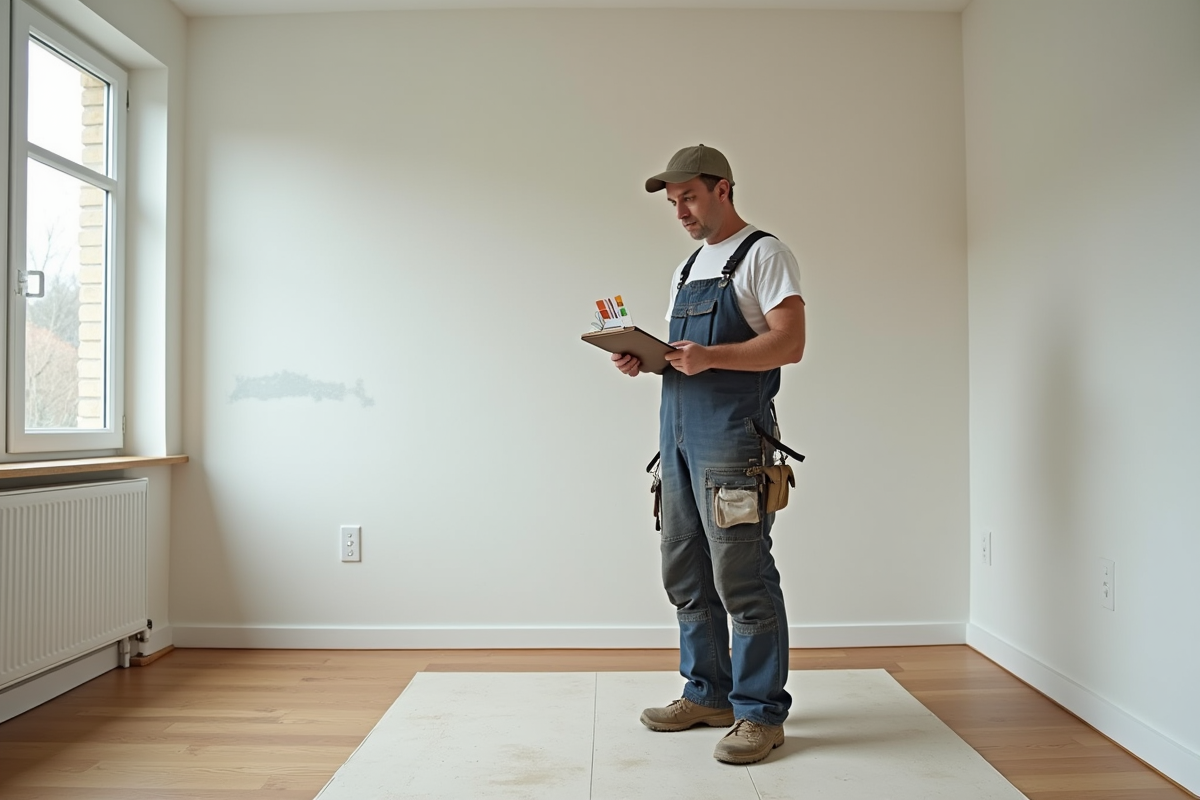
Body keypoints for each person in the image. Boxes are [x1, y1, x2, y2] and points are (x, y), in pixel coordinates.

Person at [612, 144, 806, 765]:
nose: (681, 213)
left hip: (732, 440)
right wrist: (647, 360)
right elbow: (686, 356)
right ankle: (707, 694)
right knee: (686, 570)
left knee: (741, 576)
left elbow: (791, 343)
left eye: (689, 198)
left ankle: (759, 714)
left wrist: (712, 356)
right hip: (677, 439)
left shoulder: (764, 254)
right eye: (674, 204)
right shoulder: (689, 265)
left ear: (722, 189)